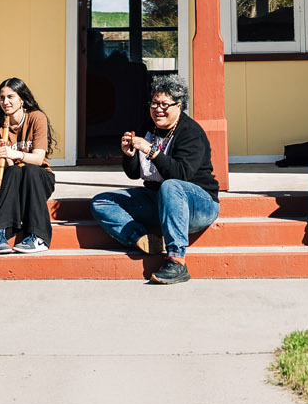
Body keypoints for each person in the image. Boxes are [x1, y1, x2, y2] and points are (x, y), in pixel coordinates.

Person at [88, 74, 220, 284]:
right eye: (154, 103)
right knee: (101, 201)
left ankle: (177, 260)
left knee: (171, 186)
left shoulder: (191, 133)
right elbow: (134, 174)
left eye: (164, 104)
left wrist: (150, 151)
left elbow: (181, 175)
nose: (158, 109)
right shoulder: (146, 127)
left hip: (199, 204)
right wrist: (129, 154)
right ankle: (142, 239)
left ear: (179, 105)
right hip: (159, 200)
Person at [0, 77, 56, 254]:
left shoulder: (37, 118)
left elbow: (39, 159)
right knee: (15, 171)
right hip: (8, 181)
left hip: (37, 181)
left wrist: (14, 154)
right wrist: (3, 157)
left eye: (11, 97)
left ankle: (38, 237)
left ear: (22, 99)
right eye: (2, 98)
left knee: (30, 170)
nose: (5, 102)